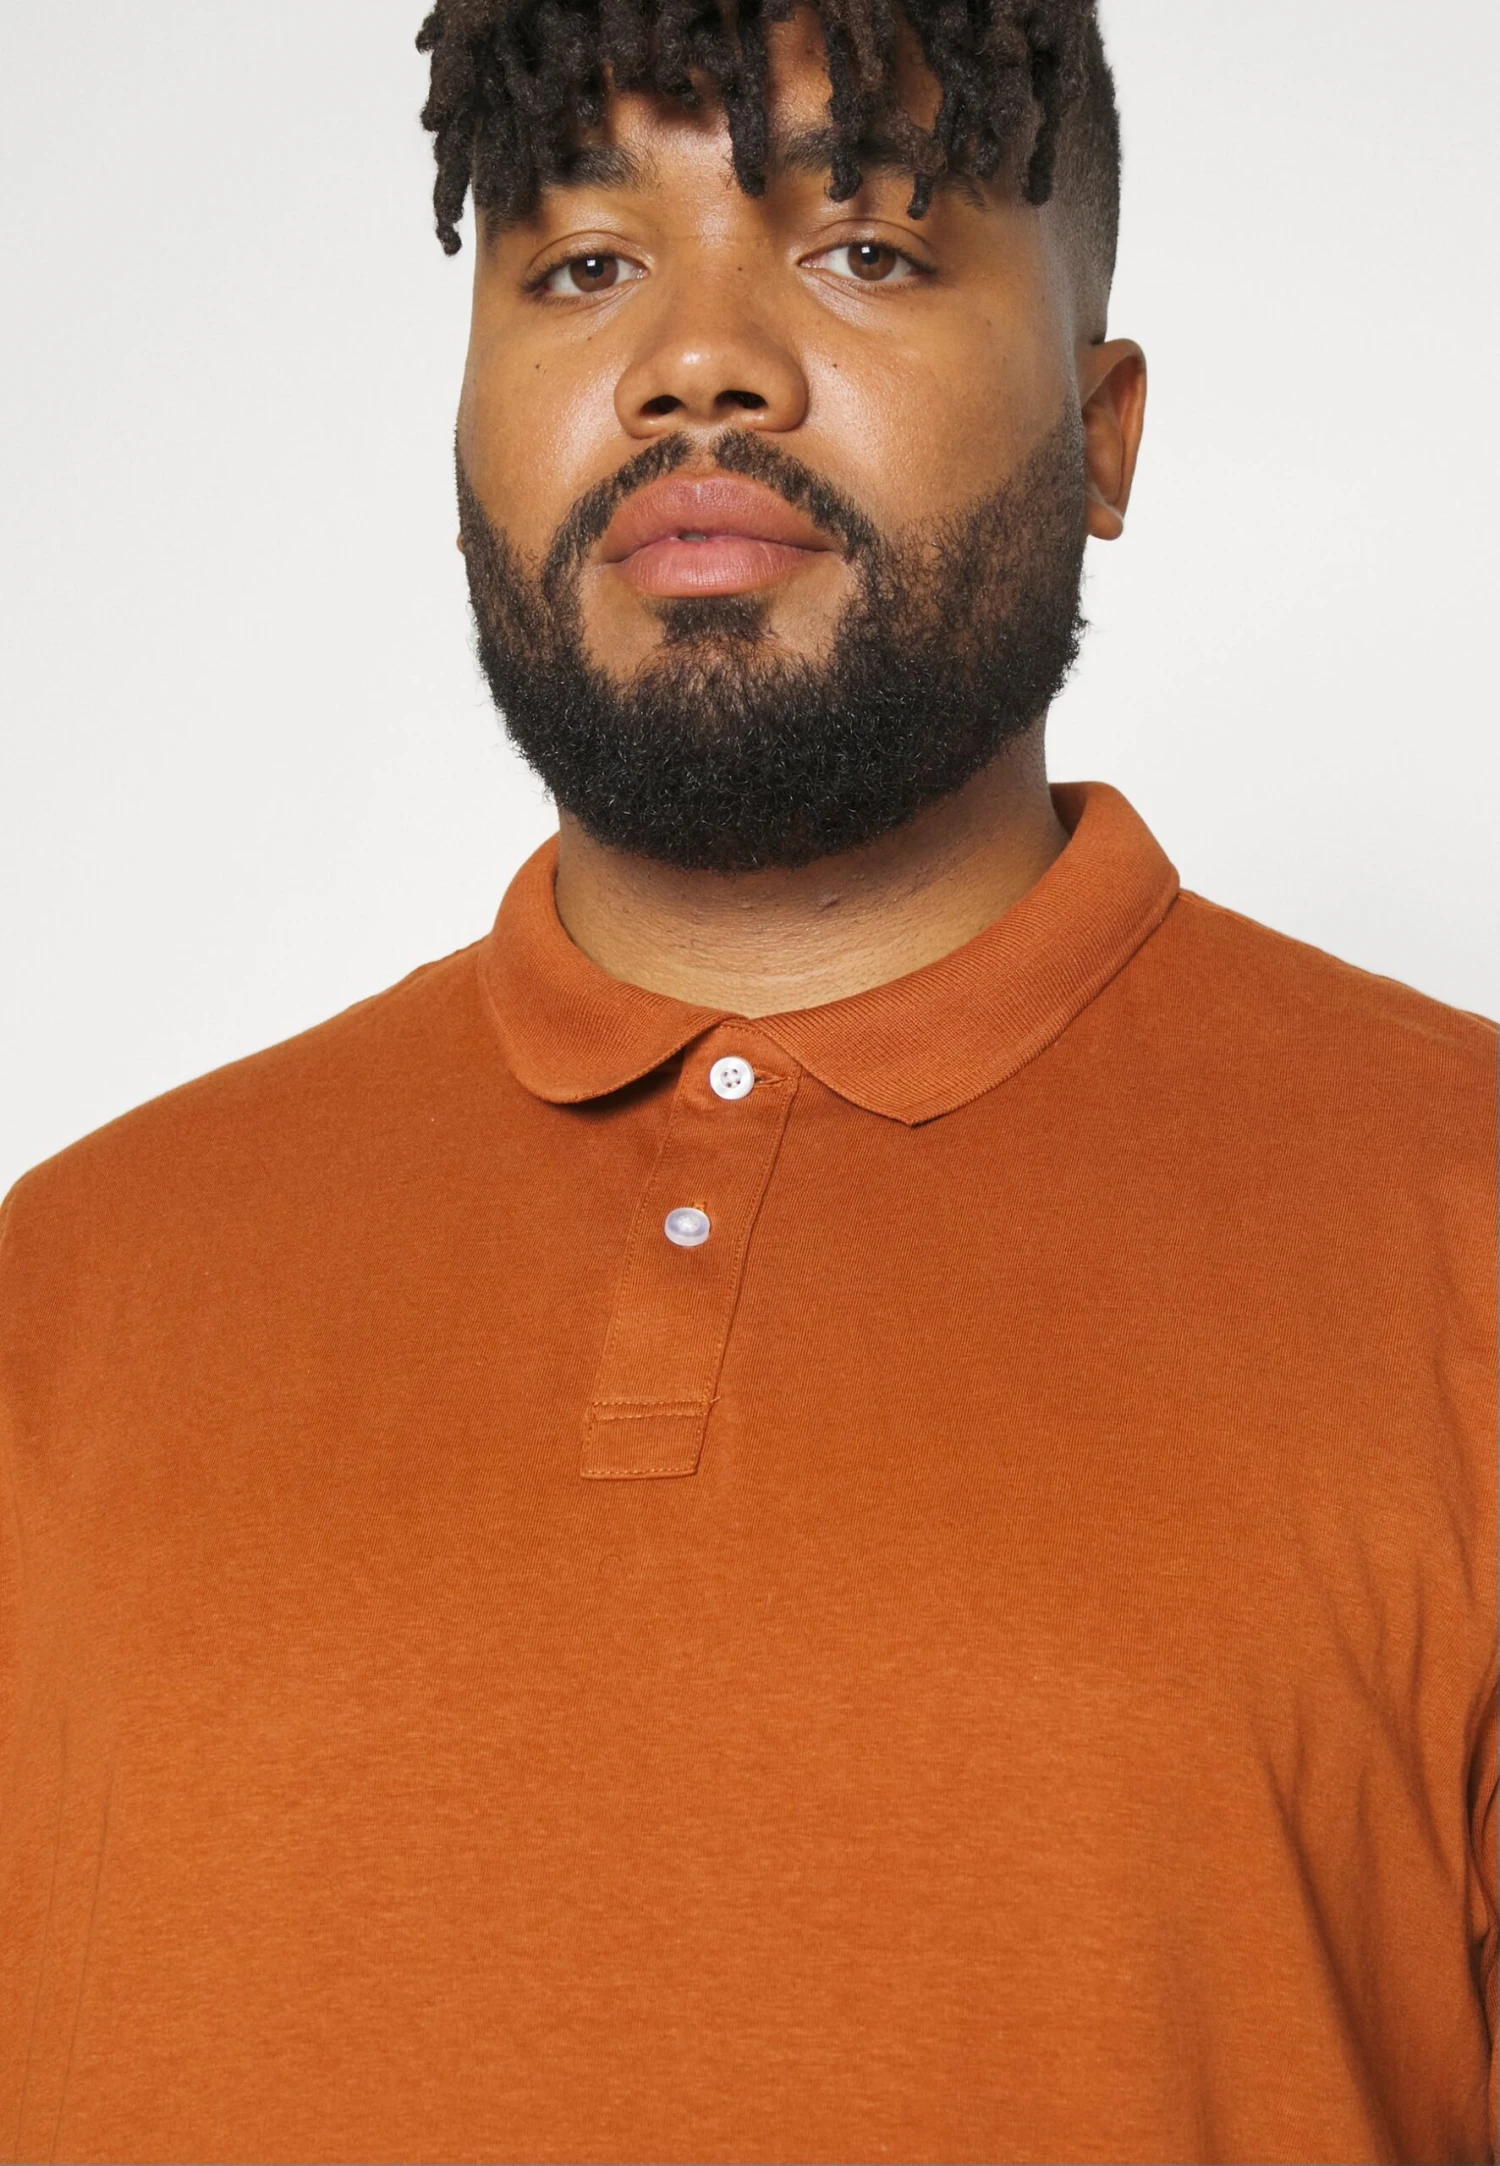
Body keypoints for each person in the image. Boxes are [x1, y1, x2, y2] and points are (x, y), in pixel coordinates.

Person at [0, 0, 1494, 2158]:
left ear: (1103, 437)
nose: (698, 363)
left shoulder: (1468, 1237)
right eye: (584, 263)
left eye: (865, 246)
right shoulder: (64, 1295)